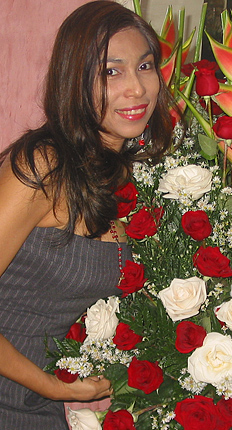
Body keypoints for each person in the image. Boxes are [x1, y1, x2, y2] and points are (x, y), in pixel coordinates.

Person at [0, 1, 174, 428]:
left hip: (36, 403)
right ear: (74, 80)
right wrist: (52, 386)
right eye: (111, 72)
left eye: (145, 66)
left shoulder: (122, 174)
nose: (136, 88)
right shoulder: (44, 165)